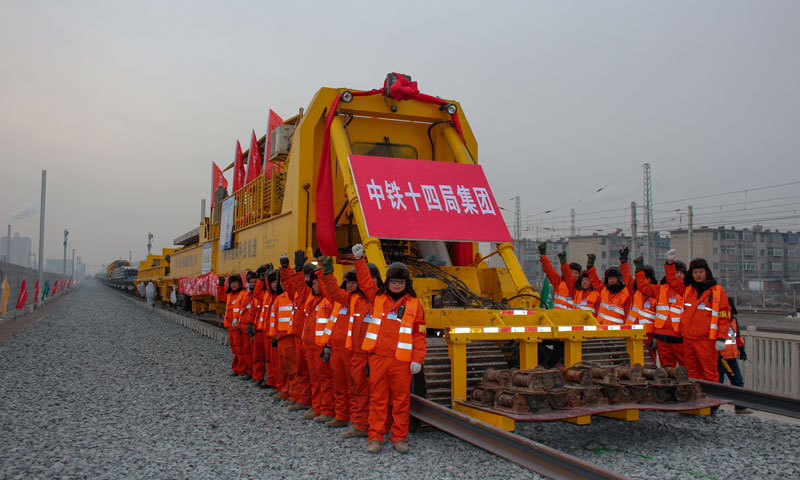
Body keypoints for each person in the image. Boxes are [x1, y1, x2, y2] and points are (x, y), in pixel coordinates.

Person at [352, 243, 426, 454]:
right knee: (377, 400)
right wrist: (359, 261)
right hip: (378, 358)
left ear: (406, 283)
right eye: (393, 281)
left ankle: (399, 438)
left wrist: (418, 359)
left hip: (402, 362)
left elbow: (419, 335)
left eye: (400, 281)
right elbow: (365, 281)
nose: (396, 284)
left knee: (401, 402)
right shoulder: (376, 298)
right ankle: (375, 437)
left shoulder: (414, 304)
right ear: (388, 281)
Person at [664, 249, 732, 382]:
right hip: (688, 340)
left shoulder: (717, 291)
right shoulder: (688, 290)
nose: (698, 275)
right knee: (692, 373)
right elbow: (671, 280)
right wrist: (670, 263)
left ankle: (711, 396)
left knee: (710, 373)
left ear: (707, 272)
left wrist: (721, 338)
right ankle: (696, 395)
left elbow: (724, 317)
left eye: (701, 272)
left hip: (707, 341)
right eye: (695, 272)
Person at [633, 256, 687, 367]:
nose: (679, 275)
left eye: (682, 273)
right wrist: (639, 271)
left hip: (680, 336)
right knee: (666, 369)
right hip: (662, 336)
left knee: (686, 368)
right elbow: (643, 286)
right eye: (676, 272)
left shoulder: (687, 290)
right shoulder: (660, 289)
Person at [279, 252, 315, 414]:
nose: (306, 279)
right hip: (299, 337)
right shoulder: (299, 293)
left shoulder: (311, 293)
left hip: (309, 339)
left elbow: (298, 284)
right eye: (304, 275)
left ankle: (312, 403)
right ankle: (303, 399)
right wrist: (285, 268)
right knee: (300, 370)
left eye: (308, 275)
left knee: (311, 373)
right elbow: (288, 283)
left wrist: (298, 270)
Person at [719, 302, 753, 414]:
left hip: (732, 357)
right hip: (720, 358)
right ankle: (713, 408)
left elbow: (737, 336)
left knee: (738, 382)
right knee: (718, 384)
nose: (728, 309)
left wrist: (741, 349)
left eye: (729, 306)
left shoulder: (733, 320)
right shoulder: (716, 320)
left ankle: (740, 407)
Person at [586, 250, 631, 326]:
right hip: (601, 328)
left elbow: (627, 314)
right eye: (610, 278)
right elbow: (594, 280)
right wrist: (590, 267)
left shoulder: (625, 293)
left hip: (617, 330)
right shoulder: (604, 290)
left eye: (614, 278)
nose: (611, 280)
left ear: (619, 279)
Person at [217, 274, 248, 377]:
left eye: (236, 282)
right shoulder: (230, 295)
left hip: (237, 326)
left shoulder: (243, 294)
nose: (234, 285)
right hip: (231, 326)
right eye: (232, 283)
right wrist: (220, 286)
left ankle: (242, 369)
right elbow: (221, 297)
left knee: (239, 348)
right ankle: (237, 368)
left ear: (240, 283)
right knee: (234, 348)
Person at [537, 242, 581, 310]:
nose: (574, 275)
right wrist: (543, 256)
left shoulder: (579, 288)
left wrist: (564, 264)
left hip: (571, 316)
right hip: (557, 315)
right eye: (572, 272)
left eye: (576, 273)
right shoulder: (559, 283)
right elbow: (550, 271)